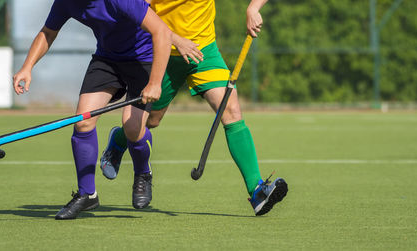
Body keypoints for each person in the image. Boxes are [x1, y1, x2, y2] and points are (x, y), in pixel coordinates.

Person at [100, 0, 288, 216]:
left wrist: (253, 8)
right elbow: (134, 15)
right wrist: (175, 39)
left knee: (231, 109)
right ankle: (119, 139)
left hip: (203, 51)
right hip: (162, 52)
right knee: (150, 121)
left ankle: (257, 191)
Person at [13, 0, 171, 220]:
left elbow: (162, 32)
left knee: (133, 128)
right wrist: (27, 67)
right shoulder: (66, 2)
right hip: (107, 60)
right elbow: (48, 32)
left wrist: (154, 82)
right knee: (83, 122)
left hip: (143, 59)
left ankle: (143, 173)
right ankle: (87, 193)